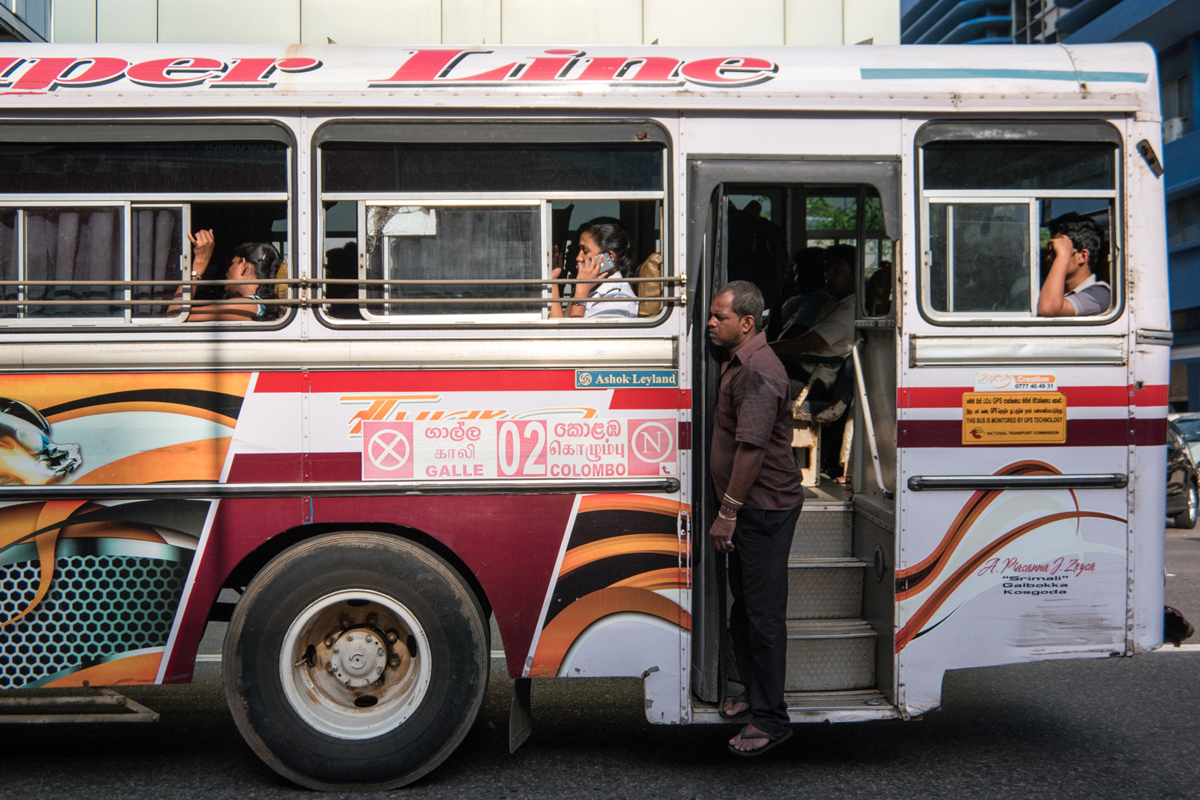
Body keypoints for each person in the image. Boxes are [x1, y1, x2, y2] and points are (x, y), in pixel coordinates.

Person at [707, 280, 804, 757]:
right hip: (752, 508)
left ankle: (771, 719)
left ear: (746, 323)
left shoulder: (757, 372)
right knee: (743, 612)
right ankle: (752, 695)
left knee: (762, 618)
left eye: (719, 317)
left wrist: (727, 511)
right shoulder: (739, 362)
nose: (710, 323)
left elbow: (751, 449)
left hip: (762, 510)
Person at [771, 244, 857, 393]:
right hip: (798, 368)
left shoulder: (849, 311)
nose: (827, 276)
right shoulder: (834, 304)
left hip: (811, 380)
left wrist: (753, 351)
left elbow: (799, 345)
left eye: (837, 269)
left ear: (856, 273)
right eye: (826, 269)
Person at [168, 230, 284, 322]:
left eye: (231, 264)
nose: (226, 273)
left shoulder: (248, 305)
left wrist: (199, 263)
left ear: (243, 265)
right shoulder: (256, 305)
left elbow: (176, 315)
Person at [548, 220, 637, 319]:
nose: (578, 258)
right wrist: (553, 279)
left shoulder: (618, 299)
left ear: (609, 257)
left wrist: (581, 293)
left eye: (585, 251)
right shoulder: (591, 288)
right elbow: (556, 329)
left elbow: (571, 334)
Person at [1036, 213, 1110, 317]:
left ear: (1082, 256)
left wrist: (1062, 255)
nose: (1048, 258)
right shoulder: (1053, 290)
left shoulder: (1100, 295)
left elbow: (1048, 309)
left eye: (1055, 252)